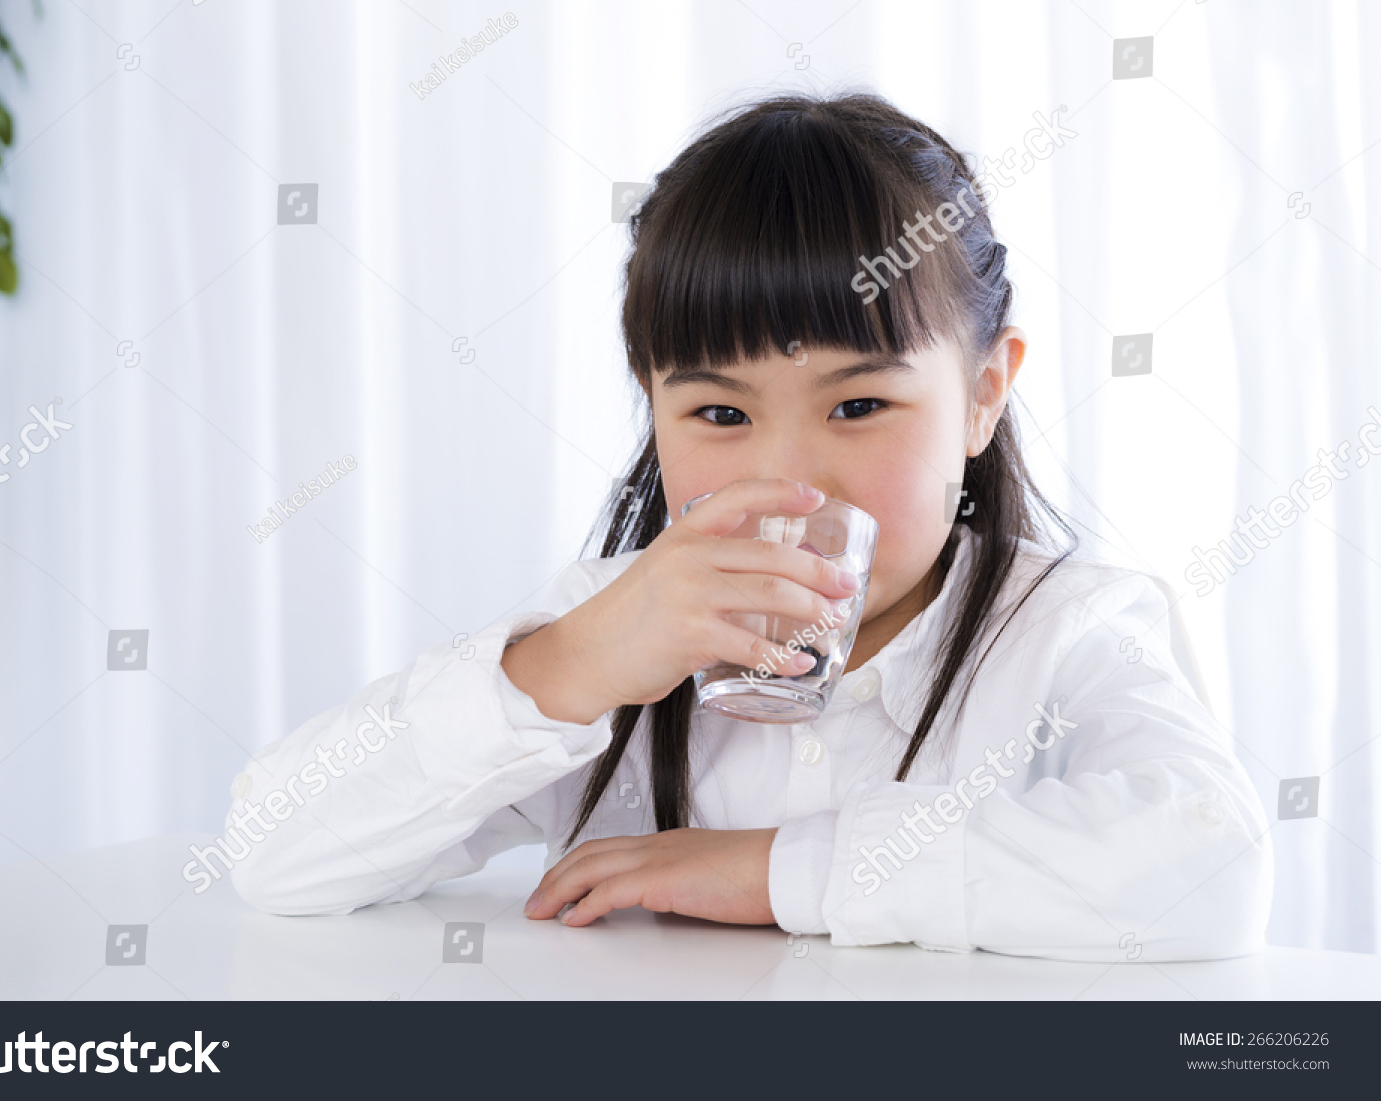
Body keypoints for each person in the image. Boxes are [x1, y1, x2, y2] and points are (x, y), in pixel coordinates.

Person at [217, 92, 1272, 961]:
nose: (786, 480)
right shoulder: (611, 631)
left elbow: (1211, 864)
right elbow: (274, 851)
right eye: (720, 414)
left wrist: (779, 869)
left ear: (984, 395)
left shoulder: (1069, 631)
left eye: (859, 407)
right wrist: (569, 664)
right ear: (653, 404)